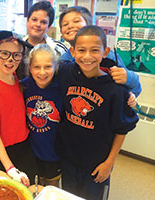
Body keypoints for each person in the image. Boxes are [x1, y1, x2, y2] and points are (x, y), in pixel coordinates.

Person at [56, 25, 139, 200]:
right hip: (68, 158)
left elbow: (121, 129)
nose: (87, 56)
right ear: (72, 51)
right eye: (81, 50)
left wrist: (109, 163)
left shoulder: (115, 90)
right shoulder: (65, 72)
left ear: (105, 52)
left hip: (97, 163)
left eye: (94, 50)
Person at [0, 31, 37, 186]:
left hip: (23, 146)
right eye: (5, 53)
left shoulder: (16, 79)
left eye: (16, 55)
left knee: (28, 188)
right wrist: (10, 168)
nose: (10, 60)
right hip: (3, 152)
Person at [58, 6, 142, 97]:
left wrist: (128, 78)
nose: (70, 26)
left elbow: (135, 88)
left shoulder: (109, 56)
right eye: (65, 24)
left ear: (89, 25)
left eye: (76, 21)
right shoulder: (63, 60)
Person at [21, 44, 62, 187]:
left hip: (54, 152)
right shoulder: (24, 86)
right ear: (30, 68)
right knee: (36, 186)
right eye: (37, 67)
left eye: (48, 67)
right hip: (31, 151)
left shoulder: (61, 88)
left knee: (51, 186)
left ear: (55, 66)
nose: (42, 72)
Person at [17, 0, 68, 80]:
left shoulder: (58, 49)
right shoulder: (17, 47)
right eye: (34, 20)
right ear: (27, 21)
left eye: (43, 22)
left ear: (49, 26)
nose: (38, 25)